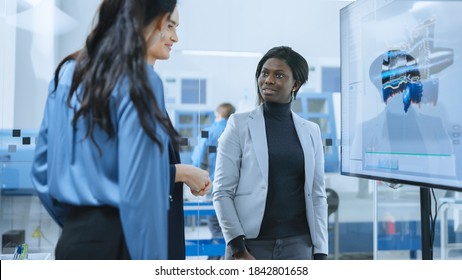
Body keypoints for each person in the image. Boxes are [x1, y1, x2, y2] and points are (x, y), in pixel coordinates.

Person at [30, 0, 208, 260]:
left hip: (73, 241)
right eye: (169, 24)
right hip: (122, 241)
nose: (174, 36)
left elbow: (41, 170)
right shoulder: (141, 80)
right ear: (157, 21)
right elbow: (140, 190)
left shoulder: (67, 72)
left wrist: (81, 227)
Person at [212, 46, 328, 260]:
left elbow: (318, 195)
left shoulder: (311, 131)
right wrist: (238, 248)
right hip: (250, 246)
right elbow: (222, 191)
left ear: (295, 84)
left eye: (279, 75)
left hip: (299, 245)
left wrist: (320, 251)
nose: (269, 80)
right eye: (265, 73)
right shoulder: (238, 125)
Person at [146, 6, 212, 260]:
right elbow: (122, 173)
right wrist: (183, 173)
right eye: (170, 26)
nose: (175, 38)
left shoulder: (151, 87)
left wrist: (186, 176)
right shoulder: (127, 87)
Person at [192, 102, 236, 260]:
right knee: (229, 231)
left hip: (213, 189)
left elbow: (197, 159)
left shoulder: (207, 132)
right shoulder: (238, 132)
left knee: (217, 229)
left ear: (217, 115)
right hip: (236, 193)